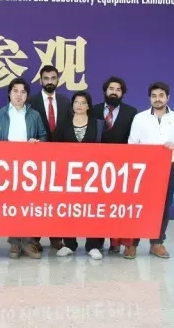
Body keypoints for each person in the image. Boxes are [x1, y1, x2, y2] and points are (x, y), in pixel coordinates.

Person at [125, 82, 174, 259]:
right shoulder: (140, 118)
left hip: (168, 167)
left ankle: (157, 242)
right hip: (143, 169)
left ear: (168, 97)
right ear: (149, 98)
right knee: (138, 205)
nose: (157, 99)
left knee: (163, 206)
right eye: (154, 96)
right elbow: (132, 143)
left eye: (161, 95)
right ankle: (132, 244)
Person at [0, 77, 46, 259]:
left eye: (23, 92)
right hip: (6, 168)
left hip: (30, 168)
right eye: (15, 91)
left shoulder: (34, 115)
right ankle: (14, 242)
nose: (19, 95)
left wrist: (37, 143)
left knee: (29, 205)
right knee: (12, 205)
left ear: (27, 95)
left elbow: (43, 137)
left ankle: (28, 242)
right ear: (9, 93)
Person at [53, 91, 105, 260]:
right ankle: (69, 243)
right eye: (76, 102)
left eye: (83, 102)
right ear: (72, 105)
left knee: (92, 210)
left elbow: (107, 149)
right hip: (69, 175)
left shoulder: (98, 124)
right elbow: (54, 148)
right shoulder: (64, 124)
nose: (80, 105)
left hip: (92, 175)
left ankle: (93, 245)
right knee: (69, 209)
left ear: (88, 106)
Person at [92, 76, 138, 254]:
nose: (114, 92)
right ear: (105, 91)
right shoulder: (94, 110)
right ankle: (96, 242)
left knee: (117, 205)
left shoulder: (131, 112)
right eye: (111, 88)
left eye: (118, 90)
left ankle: (116, 241)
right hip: (96, 166)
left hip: (121, 167)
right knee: (98, 206)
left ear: (122, 93)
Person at [27, 65, 70, 252]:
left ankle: (56, 237)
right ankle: (34, 238)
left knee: (57, 198)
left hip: (61, 158)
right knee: (37, 200)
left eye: (53, 78)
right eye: (46, 78)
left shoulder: (66, 101)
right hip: (36, 159)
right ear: (40, 80)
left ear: (58, 80)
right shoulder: (31, 101)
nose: (50, 81)